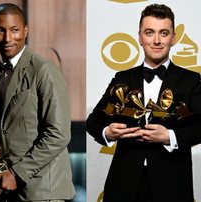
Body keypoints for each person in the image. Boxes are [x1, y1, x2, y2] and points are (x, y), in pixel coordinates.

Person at [86, 3, 201, 202]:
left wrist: (170, 136)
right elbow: (93, 122)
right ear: (139, 37)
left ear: (173, 38)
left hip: (172, 186)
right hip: (123, 186)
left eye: (163, 33)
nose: (156, 40)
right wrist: (108, 132)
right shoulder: (122, 79)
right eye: (149, 32)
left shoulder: (190, 80)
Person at [0, 3, 75, 202]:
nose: (7, 38)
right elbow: (0, 134)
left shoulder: (44, 71)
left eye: (14, 30)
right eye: (0, 31)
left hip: (44, 191)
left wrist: (17, 173)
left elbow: (59, 134)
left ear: (25, 31)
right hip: (10, 190)